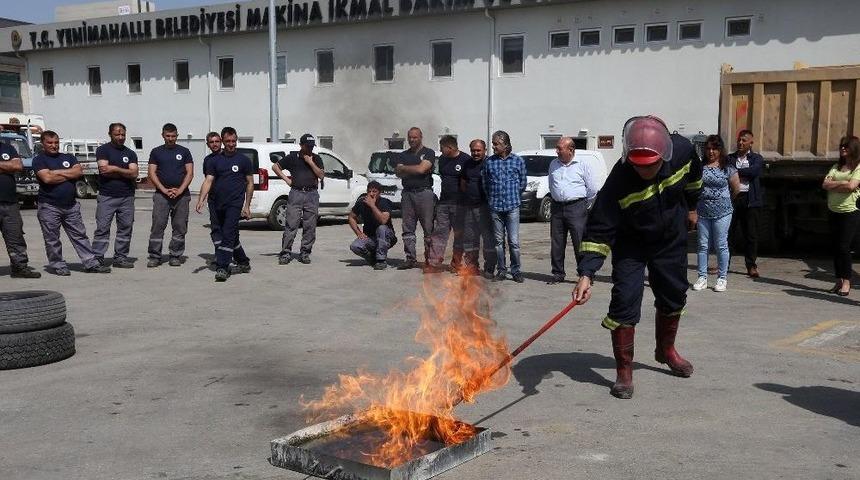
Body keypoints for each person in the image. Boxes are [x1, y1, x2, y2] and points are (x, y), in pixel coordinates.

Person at [573, 116, 702, 399]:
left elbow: (695, 178)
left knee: (674, 296)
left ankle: (666, 350)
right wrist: (587, 274)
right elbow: (598, 229)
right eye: (637, 165)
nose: (644, 171)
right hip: (631, 245)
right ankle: (624, 372)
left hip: (670, 240)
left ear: (664, 154)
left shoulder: (682, 151)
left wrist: (692, 208)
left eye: (651, 165)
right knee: (624, 301)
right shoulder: (618, 181)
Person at [32, 130, 111, 275]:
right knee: (52, 239)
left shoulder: (69, 157)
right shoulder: (39, 160)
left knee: (80, 235)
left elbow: (78, 173)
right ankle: (58, 265)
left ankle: (90, 263)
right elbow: (47, 179)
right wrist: (67, 174)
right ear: (43, 143)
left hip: (71, 205)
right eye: (50, 143)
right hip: (49, 206)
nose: (54, 145)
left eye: (56, 142)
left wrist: (55, 172)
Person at [195, 127, 253, 282]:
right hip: (216, 203)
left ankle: (222, 266)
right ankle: (243, 261)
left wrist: (246, 206)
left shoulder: (244, 160)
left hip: (234, 204)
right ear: (223, 141)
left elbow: (250, 183)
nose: (231, 144)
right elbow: (208, 180)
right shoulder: (214, 161)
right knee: (222, 234)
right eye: (228, 141)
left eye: (233, 141)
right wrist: (201, 199)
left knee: (228, 233)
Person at [547, 136, 601, 284]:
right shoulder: (553, 164)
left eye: (559, 148)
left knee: (580, 242)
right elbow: (552, 184)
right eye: (557, 148)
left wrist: (584, 205)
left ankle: (584, 274)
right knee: (557, 242)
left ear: (570, 150)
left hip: (576, 207)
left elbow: (592, 189)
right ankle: (558, 273)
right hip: (557, 207)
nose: (556, 151)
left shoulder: (582, 165)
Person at [692, 135, 740, 292]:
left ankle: (722, 278)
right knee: (702, 245)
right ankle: (702, 277)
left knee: (720, 244)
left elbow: (736, 188)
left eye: (714, 149)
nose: (711, 152)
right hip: (703, 211)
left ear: (720, 150)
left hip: (723, 212)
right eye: (708, 149)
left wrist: (723, 201)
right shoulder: (700, 166)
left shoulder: (728, 167)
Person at [146, 123, 194, 268]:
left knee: (180, 226)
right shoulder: (156, 152)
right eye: (168, 136)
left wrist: (180, 190)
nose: (171, 139)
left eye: (173, 136)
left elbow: (190, 173)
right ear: (163, 135)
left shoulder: (185, 151)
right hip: (162, 195)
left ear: (177, 136)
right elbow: (152, 173)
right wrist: (163, 189)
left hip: (182, 195)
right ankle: (154, 256)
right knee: (158, 226)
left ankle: (175, 255)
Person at [272, 133, 325, 265]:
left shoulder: (316, 158)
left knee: (310, 226)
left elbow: (321, 175)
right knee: (291, 224)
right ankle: (285, 253)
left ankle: (305, 252)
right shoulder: (292, 157)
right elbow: (275, 167)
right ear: (301, 145)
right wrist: (286, 180)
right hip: (296, 193)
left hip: (311, 194)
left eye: (312, 146)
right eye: (308, 146)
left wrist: (310, 162)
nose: (310, 149)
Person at [482, 130, 527, 283]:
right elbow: (485, 183)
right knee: (498, 242)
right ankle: (501, 270)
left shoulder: (517, 161)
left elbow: (522, 183)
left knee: (513, 242)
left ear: (505, 144)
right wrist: (492, 200)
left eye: (496, 144)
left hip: (512, 207)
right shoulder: (489, 162)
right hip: (495, 207)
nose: (493, 146)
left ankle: (516, 270)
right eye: (493, 143)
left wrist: (513, 196)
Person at [93, 122, 138, 268]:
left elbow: (134, 173)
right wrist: (124, 172)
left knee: (125, 227)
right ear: (110, 134)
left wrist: (115, 169)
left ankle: (120, 257)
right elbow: (104, 170)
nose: (120, 137)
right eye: (117, 134)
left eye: (123, 134)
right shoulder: (103, 150)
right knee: (102, 228)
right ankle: (98, 257)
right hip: (107, 196)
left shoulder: (130, 153)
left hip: (127, 197)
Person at [822, 135, 860, 296]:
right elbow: (824, 184)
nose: (843, 148)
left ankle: (847, 281)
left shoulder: (858, 167)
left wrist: (834, 184)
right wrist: (842, 184)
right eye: (841, 146)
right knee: (836, 247)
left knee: (844, 247)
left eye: (846, 146)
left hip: (849, 212)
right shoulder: (836, 166)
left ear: (854, 149)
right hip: (833, 211)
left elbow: (852, 186)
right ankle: (838, 280)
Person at [426, 135, 470, 273]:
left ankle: (456, 264)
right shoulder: (443, 160)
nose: (440, 151)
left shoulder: (465, 160)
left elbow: (468, 182)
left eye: (442, 148)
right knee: (439, 234)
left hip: (459, 204)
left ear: (450, 147)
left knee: (459, 236)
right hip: (443, 203)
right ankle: (434, 263)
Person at [394, 127, 436, 270]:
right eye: (410, 137)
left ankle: (430, 260)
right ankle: (410, 258)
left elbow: (422, 170)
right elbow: (398, 172)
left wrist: (405, 168)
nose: (412, 140)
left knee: (428, 228)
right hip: (407, 194)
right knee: (408, 228)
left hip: (424, 193)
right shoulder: (403, 155)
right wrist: (415, 167)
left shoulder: (428, 152)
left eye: (415, 137)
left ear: (421, 137)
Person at [0, 137, 41, 278]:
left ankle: (20, 267)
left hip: (10, 202)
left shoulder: (8, 148)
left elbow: (18, 166)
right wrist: (6, 166)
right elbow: (11, 166)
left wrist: (9, 166)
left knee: (15, 236)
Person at [728, 129, 764, 278]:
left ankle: (751, 265)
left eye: (744, 140)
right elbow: (726, 170)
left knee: (751, 235)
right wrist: (739, 171)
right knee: (728, 234)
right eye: (739, 140)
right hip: (733, 199)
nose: (740, 143)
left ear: (751, 143)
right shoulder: (730, 158)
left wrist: (735, 172)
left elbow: (754, 172)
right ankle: (724, 264)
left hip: (750, 201)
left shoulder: (756, 158)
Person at [461, 139, 497, 278]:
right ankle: (471, 266)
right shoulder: (467, 164)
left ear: (485, 150)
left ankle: (489, 268)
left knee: (488, 240)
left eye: (478, 150)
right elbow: (463, 183)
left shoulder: (489, 164)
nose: (475, 153)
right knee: (470, 240)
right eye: (473, 150)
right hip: (469, 207)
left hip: (485, 208)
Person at [349, 181, 397, 270]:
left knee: (381, 228)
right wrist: (358, 233)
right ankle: (373, 258)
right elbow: (351, 217)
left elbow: (383, 220)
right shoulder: (361, 202)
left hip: (387, 237)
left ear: (379, 193)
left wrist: (372, 206)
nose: (371, 194)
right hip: (371, 238)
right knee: (355, 246)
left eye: (374, 191)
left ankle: (381, 260)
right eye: (369, 191)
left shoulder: (385, 202)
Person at [198, 132, 223, 259]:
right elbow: (207, 180)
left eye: (217, 141)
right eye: (212, 142)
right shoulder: (207, 160)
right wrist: (201, 199)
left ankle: (229, 255)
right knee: (216, 228)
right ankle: (219, 254)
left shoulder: (228, 156)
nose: (214, 144)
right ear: (208, 144)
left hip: (229, 200)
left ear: (221, 142)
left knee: (229, 229)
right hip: (214, 199)